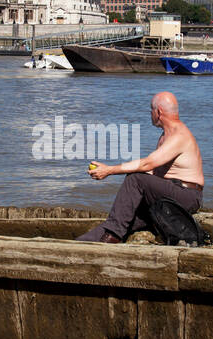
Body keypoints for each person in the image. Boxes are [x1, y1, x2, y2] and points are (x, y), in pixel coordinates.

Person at [76, 91, 204, 242]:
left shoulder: (179, 135)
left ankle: (113, 238)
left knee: (135, 179)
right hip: (166, 195)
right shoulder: (165, 136)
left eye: (151, 110)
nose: (150, 114)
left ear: (158, 112)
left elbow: (146, 164)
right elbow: (152, 170)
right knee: (122, 219)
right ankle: (81, 243)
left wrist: (109, 170)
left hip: (185, 195)